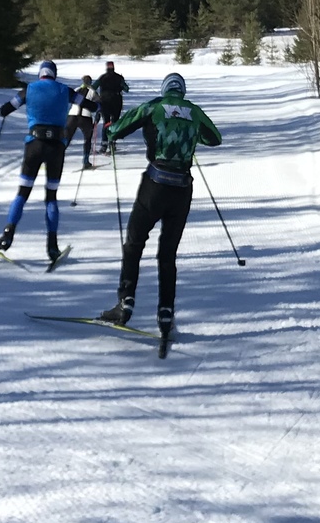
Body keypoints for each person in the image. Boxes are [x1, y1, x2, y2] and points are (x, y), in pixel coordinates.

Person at [100, 71, 222, 349]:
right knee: (167, 254)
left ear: (165, 88)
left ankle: (125, 303)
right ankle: (166, 315)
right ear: (183, 90)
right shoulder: (193, 111)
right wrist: (190, 138)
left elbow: (116, 130)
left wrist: (112, 130)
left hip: (155, 183)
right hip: (183, 188)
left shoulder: (153, 106)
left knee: (134, 242)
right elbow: (215, 138)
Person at [0, 59, 73, 263]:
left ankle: (7, 236)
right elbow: (90, 105)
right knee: (51, 197)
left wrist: (6, 111)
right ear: (54, 74)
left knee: (23, 192)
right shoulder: (65, 90)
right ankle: (52, 247)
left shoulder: (30, 90)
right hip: (56, 148)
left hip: (34, 146)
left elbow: (5, 109)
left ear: (40, 73)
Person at [67, 74, 100, 170]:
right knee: (87, 138)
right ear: (90, 82)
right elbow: (99, 105)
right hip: (86, 117)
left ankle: (54, 159)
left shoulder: (77, 90)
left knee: (66, 138)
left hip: (72, 115)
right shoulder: (93, 92)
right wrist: (97, 117)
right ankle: (85, 161)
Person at [94, 60, 128, 151]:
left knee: (106, 122)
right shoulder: (119, 77)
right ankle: (112, 142)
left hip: (104, 102)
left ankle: (104, 144)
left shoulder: (102, 77)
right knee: (115, 122)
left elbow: (93, 87)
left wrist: (97, 97)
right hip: (116, 102)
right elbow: (126, 89)